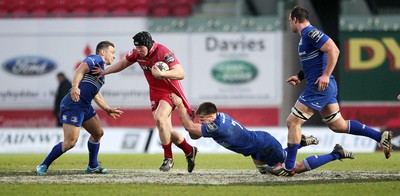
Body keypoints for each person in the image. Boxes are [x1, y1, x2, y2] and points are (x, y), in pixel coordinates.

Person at [268, 5, 393, 176]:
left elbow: (333, 49)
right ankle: (380, 137)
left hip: (319, 87)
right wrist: (299, 76)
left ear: (295, 19)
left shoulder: (310, 33)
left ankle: (288, 167)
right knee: (338, 125)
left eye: (290, 20)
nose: (289, 23)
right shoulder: (305, 38)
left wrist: (326, 75)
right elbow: (316, 62)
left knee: (293, 122)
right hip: (323, 86)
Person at [169, 93, 355, 175]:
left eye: (203, 119)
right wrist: (192, 114)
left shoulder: (218, 127)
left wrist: (179, 105)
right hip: (256, 147)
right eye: (200, 119)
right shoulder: (218, 117)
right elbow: (195, 128)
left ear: (211, 116)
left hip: (265, 146)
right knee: (264, 172)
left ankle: (336, 153)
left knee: (291, 170)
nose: (200, 122)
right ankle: (301, 141)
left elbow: (190, 130)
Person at [92, 31, 197, 173]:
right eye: (137, 47)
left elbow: (180, 73)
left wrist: (162, 74)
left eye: (141, 47)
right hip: (154, 92)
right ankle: (189, 150)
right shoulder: (137, 53)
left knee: (160, 119)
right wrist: (105, 72)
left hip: (169, 91)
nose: (139, 50)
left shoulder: (163, 52)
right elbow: (123, 63)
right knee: (166, 129)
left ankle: (168, 158)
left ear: (148, 44)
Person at [36, 41, 123, 175]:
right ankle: (43, 165)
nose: (114, 56)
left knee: (98, 133)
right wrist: (75, 86)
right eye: (112, 52)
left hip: (85, 106)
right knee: (70, 142)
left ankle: (93, 166)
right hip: (73, 104)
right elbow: (80, 69)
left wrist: (106, 108)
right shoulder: (96, 58)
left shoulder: (101, 72)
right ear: (103, 52)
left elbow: (96, 93)